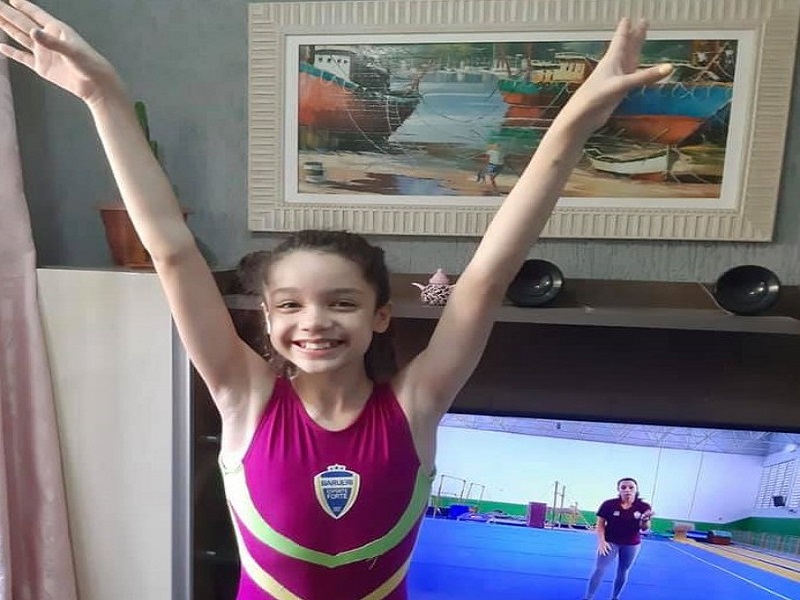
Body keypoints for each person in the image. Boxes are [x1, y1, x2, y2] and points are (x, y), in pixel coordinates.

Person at [0, 2, 671, 598]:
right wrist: (105, 98)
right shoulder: (244, 396)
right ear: (267, 318)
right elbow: (172, 251)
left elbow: (488, 275)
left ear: (381, 315)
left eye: (342, 303)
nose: (314, 321)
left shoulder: (415, 404)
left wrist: (572, 126)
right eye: (289, 305)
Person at [583, 478, 655, 600]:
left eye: (631, 487)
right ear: (619, 490)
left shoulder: (643, 506)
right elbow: (600, 525)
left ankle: (615, 597)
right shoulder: (608, 504)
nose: (627, 490)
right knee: (600, 569)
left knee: (623, 570)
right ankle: (588, 597)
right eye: (623, 487)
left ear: (636, 490)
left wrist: (645, 520)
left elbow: (644, 528)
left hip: (631, 544)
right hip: (610, 542)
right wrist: (602, 542)